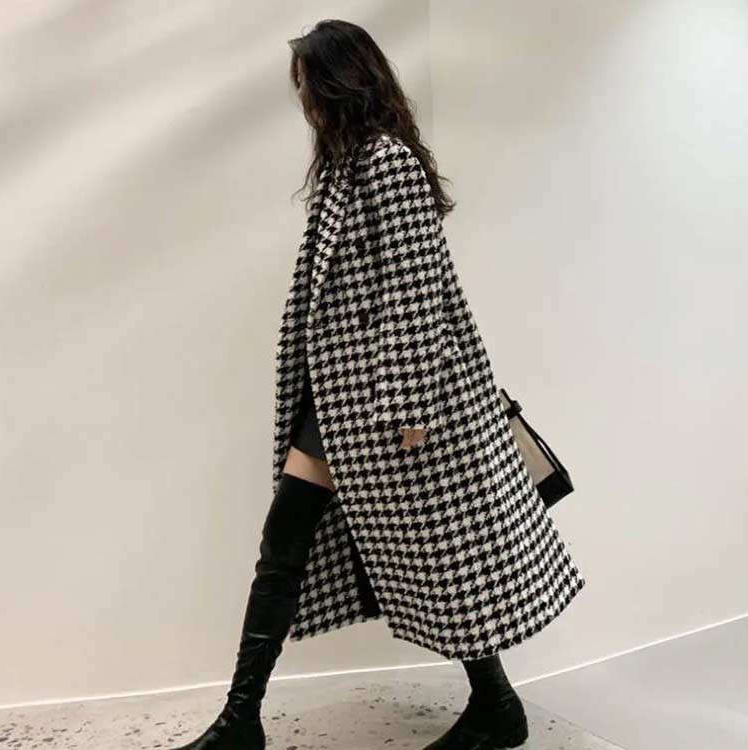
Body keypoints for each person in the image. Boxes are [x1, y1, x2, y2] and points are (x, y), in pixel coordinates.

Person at [172, 18, 587, 750]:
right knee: (293, 545)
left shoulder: (387, 162)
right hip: (341, 400)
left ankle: (496, 705)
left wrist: (407, 410)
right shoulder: (344, 166)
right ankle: (241, 720)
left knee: (440, 556)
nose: (303, 100)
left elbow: (415, 293)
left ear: (339, 82)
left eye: (308, 84)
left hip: (390, 404)